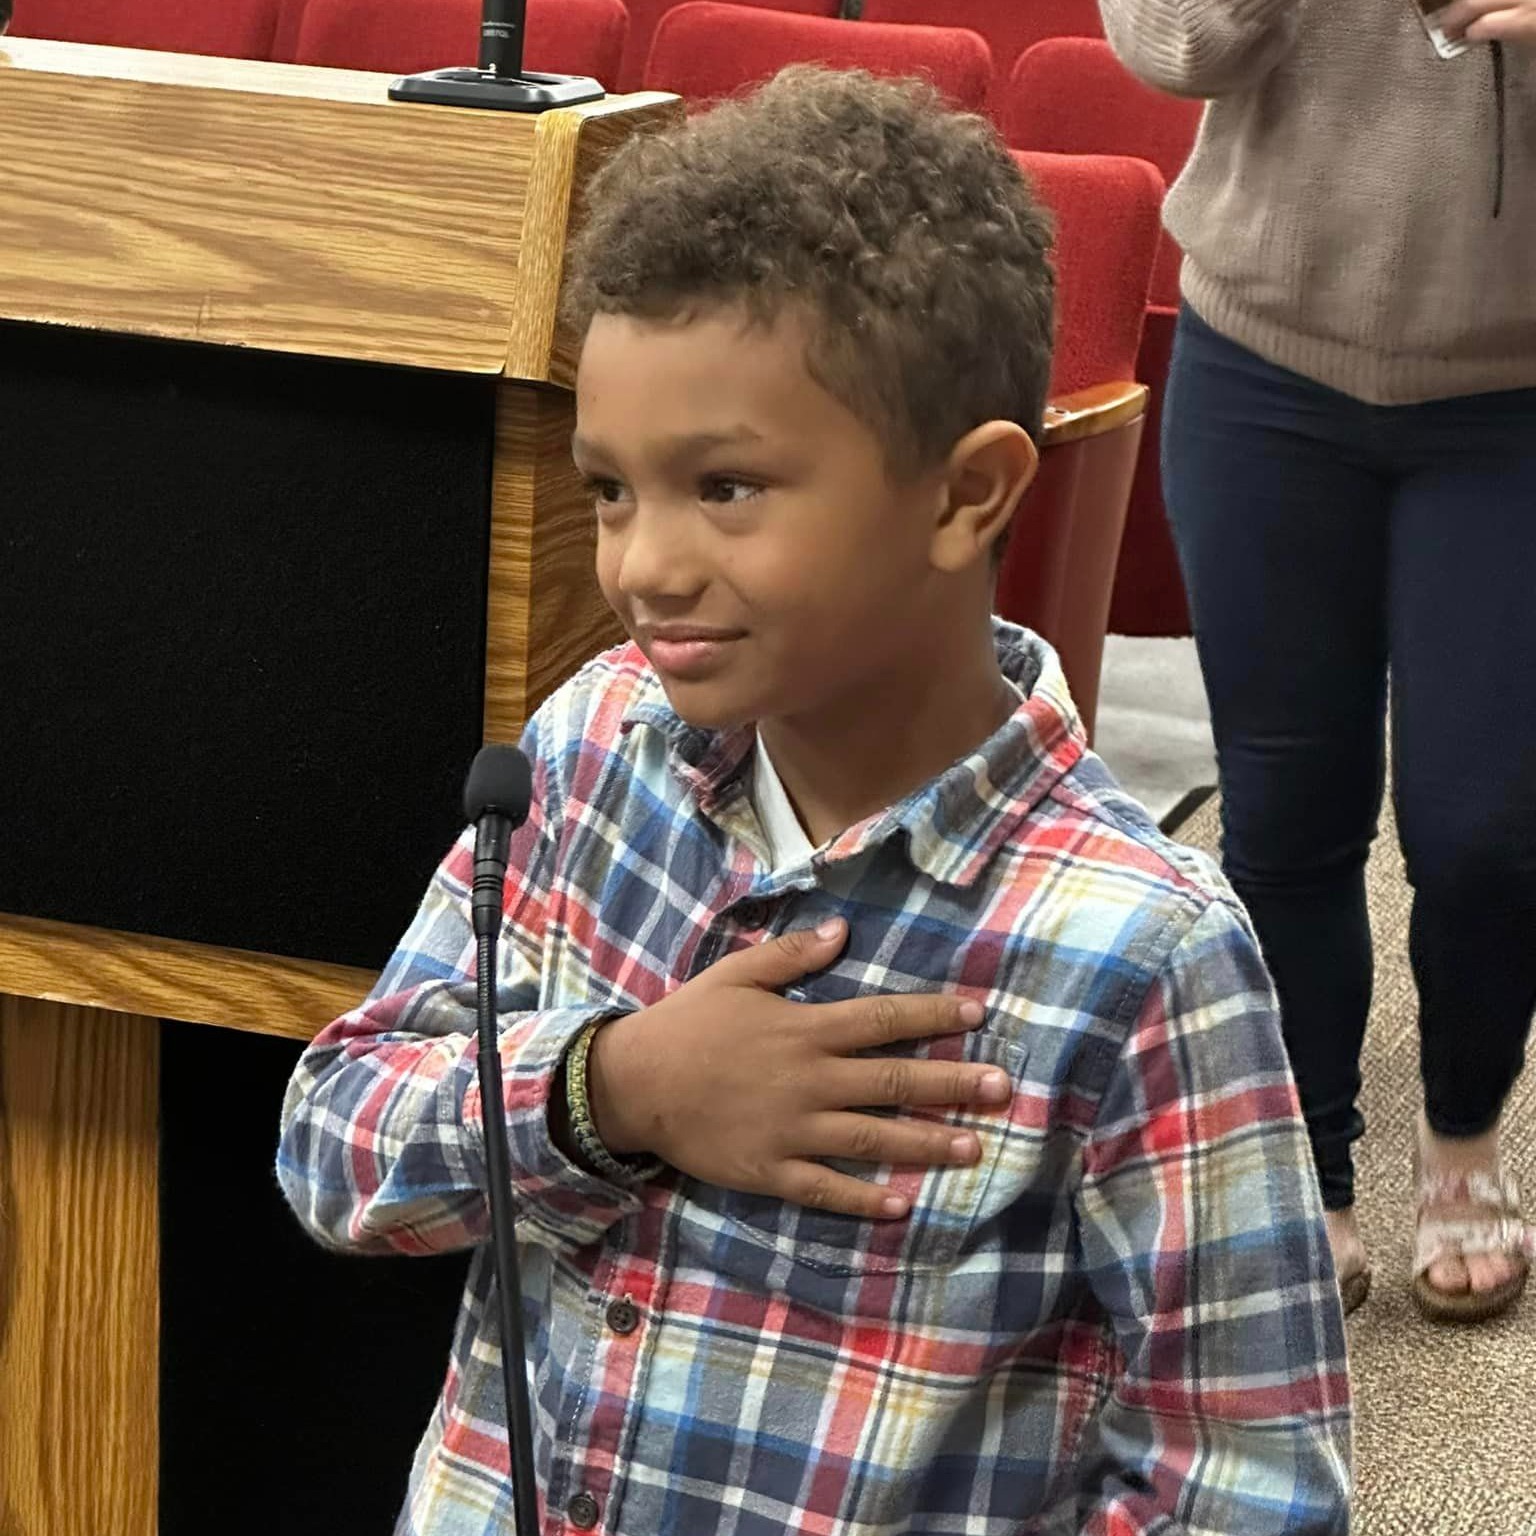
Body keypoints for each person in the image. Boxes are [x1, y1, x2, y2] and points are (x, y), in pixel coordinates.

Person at [277, 67, 1350, 1535]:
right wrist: (616, 1090)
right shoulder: (588, 752)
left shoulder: (1145, 955)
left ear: (968, 495)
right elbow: (334, 1147)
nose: (643, 564)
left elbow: (1247, 1486)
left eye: (724, 488)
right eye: (610, 488)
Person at [1100, 0, 1536, 1323]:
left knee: (1488, 831)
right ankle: (1309, 1162)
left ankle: (1463, 1128)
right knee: (1286, 810)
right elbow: (1172, 47)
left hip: (1515, 397)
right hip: (1267, 363)